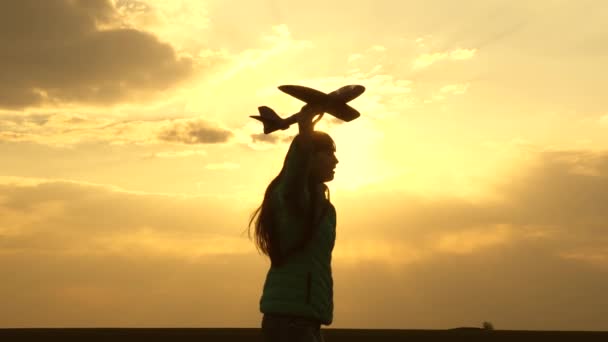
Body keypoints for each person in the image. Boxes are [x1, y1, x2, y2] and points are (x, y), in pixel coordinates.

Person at [248, 105, 339, 342]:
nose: (335, 160)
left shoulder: (323, 208)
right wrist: (305, 134)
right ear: (310, 158)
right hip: (289, 322)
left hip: (308, 319)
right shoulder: (290, 198)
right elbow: (295, 175)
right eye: (328, 153)